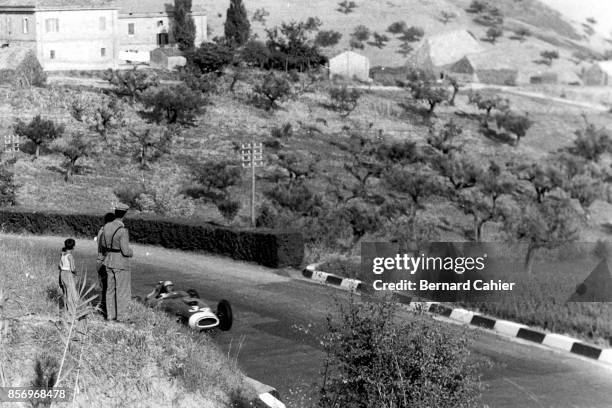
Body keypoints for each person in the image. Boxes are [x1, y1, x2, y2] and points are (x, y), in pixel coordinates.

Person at [97, 203, 133, 322]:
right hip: (120, 262)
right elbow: (125, 251)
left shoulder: (106, 227)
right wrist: (131, 252)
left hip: (109, 260)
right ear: (124, 214)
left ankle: (110, 316)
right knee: (122, 290)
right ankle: (122, 317)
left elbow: (102, 244)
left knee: (110, 289)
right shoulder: (123, 231)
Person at [96, 212, 116, 314]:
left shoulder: (101, 230)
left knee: (104, 287)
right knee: (107, 287)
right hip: (104, 262)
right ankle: (105, 310)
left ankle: (103, 308)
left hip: (100, 261)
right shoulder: (105, 232)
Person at [58, 238, 77, 311]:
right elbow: (72, 269)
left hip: (62, 274)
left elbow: (59, 265)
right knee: (70, 292)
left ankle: (66, 308)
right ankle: (71, 310)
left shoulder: (62, 254)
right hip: (68, 274)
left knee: (65, 292)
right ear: (73, 247)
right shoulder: (70, 256)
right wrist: (76, 273)